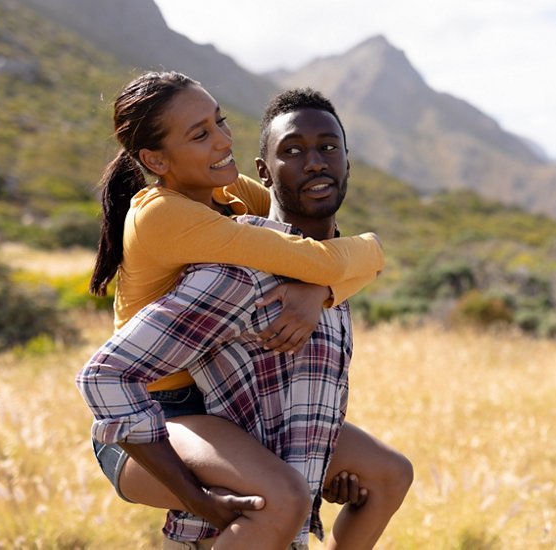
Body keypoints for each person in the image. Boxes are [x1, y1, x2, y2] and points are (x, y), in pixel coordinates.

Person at [78, 83, 412, 548]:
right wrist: (195, 498)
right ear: (156, 160)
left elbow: (312, 246)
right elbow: (325, 258)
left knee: (388, 474)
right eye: (199, 134)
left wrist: (320, 290)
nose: (222, 140)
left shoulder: (231, 192)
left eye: (220, 121)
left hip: (217, 407)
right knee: (280, 498)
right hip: (149, 422)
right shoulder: (163, 216)